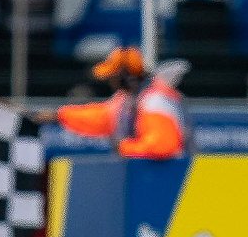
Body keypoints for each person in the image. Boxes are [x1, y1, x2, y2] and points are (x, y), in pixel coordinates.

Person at [34, 46, 189, 159]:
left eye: (113, 75)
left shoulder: (155, 101)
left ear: (125, 77)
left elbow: (162, 145)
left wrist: (124, 147)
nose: (109, 80)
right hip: (152, 178)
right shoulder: (126, 100)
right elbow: (100, 116)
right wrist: (59, 115)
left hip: (173, 181)